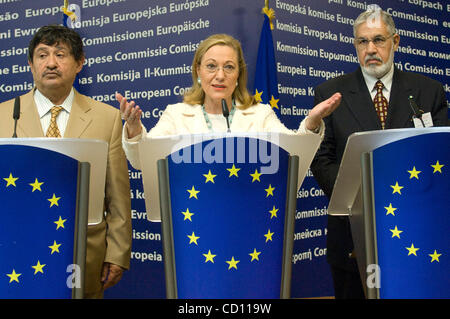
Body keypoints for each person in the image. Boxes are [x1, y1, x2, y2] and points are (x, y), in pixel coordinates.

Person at [310, 7, 448, 299]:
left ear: (395, 42)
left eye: (379, 40)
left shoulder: (428, 92)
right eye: (362, 42)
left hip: (417, 230)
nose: (371, 49)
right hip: (352, 235)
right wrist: (361, 198)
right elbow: (321, 159)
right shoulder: (330, 93)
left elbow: (440, 158)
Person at [0, 25, 132, 298]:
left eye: (60, 54)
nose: (51, 63)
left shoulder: (106, 118)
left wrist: (117, 254)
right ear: (30, 64)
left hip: (84, 256)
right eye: (42, 55)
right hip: (15, 252)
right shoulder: (3, 116)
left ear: (79, 63)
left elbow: (118, 197)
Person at [117, 33, 342, 169]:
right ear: (198, 71)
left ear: (238, 76)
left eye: (229, 67)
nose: (220, 75)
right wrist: (135, 129)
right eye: (211, 66)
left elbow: (293, 156)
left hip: (250, 216)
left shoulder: (260, 114)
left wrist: (311, 123)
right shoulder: (176, 115)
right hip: (192, 218)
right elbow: (141, 161)